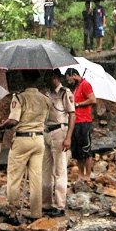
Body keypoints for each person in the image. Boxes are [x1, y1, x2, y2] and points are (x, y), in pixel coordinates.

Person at [0, 69, 51, 225]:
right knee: (36, 178)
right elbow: (46, 119)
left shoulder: (19, 98)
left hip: (22, 139)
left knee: (14, 178)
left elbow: (13, 120)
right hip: (39, 140)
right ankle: (36, 213)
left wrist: (1, 126)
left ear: (24, 80)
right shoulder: (45, 99)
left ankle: (13, 213)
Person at [42, 69, 75, 218]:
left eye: (49, 76)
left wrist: (68, 137)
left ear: (54, 77)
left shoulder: (64, 93)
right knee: (46, 169)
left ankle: (59, 204)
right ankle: (46, 203)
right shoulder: (46, 94)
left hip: (59, 131)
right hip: (46, 131)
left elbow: (72, 115)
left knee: (60, 169)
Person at [65, 68, 96, 182]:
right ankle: (80, 175)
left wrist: (77, 104)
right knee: (77, 152)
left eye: (69, 80)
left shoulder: (85, 84)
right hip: (75, 122)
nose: (69, 82)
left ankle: (87, 175)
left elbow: (93, 100)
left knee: (86, 150)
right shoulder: (76, 88)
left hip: (84, 121)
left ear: (74, 75)